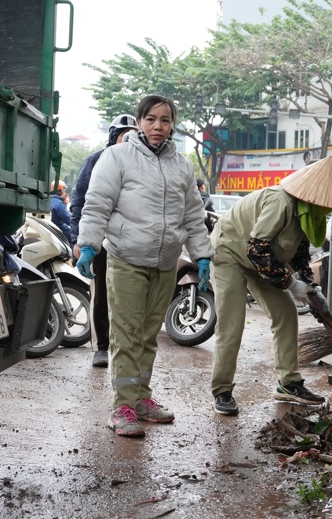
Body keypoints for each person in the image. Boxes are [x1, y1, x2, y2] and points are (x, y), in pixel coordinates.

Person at [75, 95, 212, 438]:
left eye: (165, 120)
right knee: (126, 333)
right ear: (139, 122)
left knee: (150, 334)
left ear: (172, 126)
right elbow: (96, 204)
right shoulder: (117, 157)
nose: (158, 126)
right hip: (126, 258)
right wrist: (89, 245)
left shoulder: (182, 166)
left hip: (165, 262)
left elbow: (193, 216)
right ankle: (122, 406)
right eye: (151, 119)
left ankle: (141, 399)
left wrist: (202, 254)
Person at [209, 155, 332, 416]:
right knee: (232, 324)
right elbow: (257, 249)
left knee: (286, 314)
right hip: (230, 254)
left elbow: (299, 256)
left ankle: (289, 384)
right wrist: (292, 286)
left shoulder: (309, 215)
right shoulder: (280, 202)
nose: (330, 209)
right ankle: (222, 390)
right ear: (315, 195)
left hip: (263, 260)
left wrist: (313, 290)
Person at [69, 114, 138, 368]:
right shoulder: (96, 160)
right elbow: (80, 203)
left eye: (133, 133)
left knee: (130, 297)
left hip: (131, 242)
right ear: (113, 136)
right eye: (123, 134)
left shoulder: (142, 162)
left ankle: (127, 347)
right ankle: (101, 347)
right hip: (100, 239)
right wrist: (79, 239)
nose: (128, 138)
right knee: (102, 294)